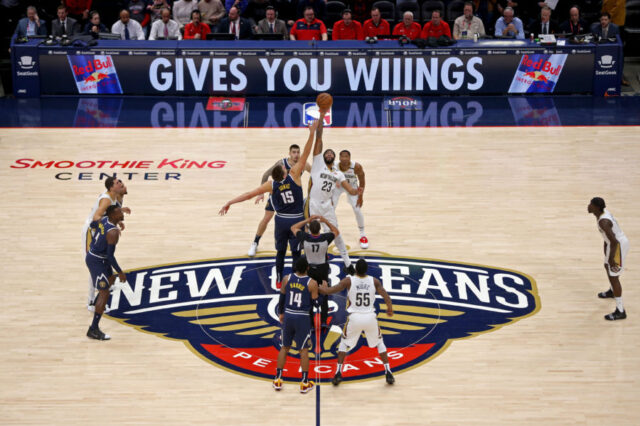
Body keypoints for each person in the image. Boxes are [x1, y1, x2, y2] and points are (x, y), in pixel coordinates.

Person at [219, 117, 324, 287]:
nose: (285, 167)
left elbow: (248, 194)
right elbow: (306, 152)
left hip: (281, 220)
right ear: (284, 173)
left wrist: (230, 202)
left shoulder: (271, 185)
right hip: (296, 219)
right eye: (284, 168)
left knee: (280, 252)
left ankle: (278, 280)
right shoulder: (295, 176)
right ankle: (296, 278)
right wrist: (312, 134)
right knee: (296, 253)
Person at [319, 258, 395, 385]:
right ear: (366, 270)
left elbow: (330, 291)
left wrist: (323, 288)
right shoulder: (374, 281)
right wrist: (390, 309)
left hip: (355, 317)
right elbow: (386, 296)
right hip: (370, 317)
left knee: (344, 343)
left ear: (355, 269)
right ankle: (388, 372)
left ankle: (338, 373)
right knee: (380, 343)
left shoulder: (349, 280)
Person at [307, 115, 360, 274]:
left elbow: (348, 189)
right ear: (323, 156)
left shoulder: (338, 173)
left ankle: (348, 263)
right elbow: (319, 139)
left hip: (327, 206)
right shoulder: (318, 164)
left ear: (334, 158)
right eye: (327, 153)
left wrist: (356, 191)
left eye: (331, 153)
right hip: (314, 204)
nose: (329, 154)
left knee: (336, 232)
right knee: (312, 235)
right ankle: (312, 263)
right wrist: (320, 123)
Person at [248, 144, 311, 257]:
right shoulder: (281, 164)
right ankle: (255, 242)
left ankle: (305, 245)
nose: (296, 155)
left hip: (293, 197)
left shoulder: (303, 164)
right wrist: (262, 192)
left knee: (303, 219)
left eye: (298, 152)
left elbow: (315, 174)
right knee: (267, 218)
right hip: (277, 194)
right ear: (289, 153)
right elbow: (266, 175)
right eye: (294, 152)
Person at [82, 177, 130, 311]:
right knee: (94, 264)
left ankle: (105, 284)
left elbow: (111, 213)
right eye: (117, 183)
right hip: (91, 231)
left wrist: (116, 221)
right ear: (111, 187)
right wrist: (109, 226)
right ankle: (91, 301)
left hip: (99, 229)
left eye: (120, 181)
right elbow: (96, 217)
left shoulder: (115, 196)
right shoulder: (107, 199)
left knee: (104, 258)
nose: (120, 183)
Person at [273, 257, 319, 393]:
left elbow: (281, 297)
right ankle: (304, 382)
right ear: (307, 268)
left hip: (288, 315)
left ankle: (278, 379)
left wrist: (281, 313)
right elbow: (316, 304)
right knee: (304, 350)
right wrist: (322, 292)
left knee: (284, 347)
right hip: (302, 317)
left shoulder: (286, 278)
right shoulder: (312, 283)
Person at [85, 205, 127, 340]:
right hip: (97, 261)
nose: (122, 214)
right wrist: (120, 272)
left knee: (110, 279)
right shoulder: (113, 232)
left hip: (97, 256)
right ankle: (93, 329)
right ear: (113, 216)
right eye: (119, 213)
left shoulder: (104, 220)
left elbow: (92, 224)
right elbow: (110, 256)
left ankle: (98, 303)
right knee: (104, 292)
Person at [291, 215, 339, 327]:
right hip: (322, 269)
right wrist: (326, 220)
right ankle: (323, 322)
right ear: (319, 229)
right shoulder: (325, 238)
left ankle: (311, 324)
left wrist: (307, 220)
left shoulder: (305, 237)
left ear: (310, 229)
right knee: (325, 295)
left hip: (310, 270)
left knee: (309, 297)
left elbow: (293, 227)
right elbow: (336, 231)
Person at [588, 197, 629, 321]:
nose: (588, 206)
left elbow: (615, 241)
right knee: (607, 267)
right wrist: (606, 250)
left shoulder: (603, 222)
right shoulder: (601, 215)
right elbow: (609, 238)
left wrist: (611, 258)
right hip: (613, 245)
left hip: (618, 247)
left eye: (591, 205)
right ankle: (612, 291)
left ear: (597, 208)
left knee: (614, 276)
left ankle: (620, 311)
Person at [331, 150, 368, 249]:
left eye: (346, 156)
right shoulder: (333, 165)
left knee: (357, 209)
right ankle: (329, 232)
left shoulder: (356, 167)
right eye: (342, 157)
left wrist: (361, 196)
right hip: (338, 186)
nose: (344, 159)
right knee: (330, 208)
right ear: (339, 158)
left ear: (350, 158)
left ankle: (363, 235)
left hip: (352, 186)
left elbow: (362, 180)